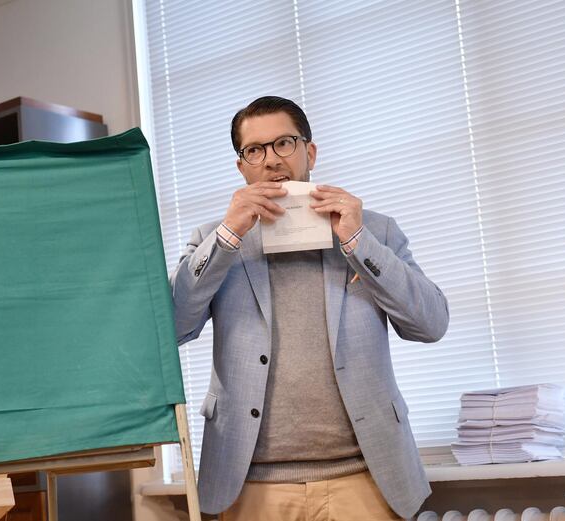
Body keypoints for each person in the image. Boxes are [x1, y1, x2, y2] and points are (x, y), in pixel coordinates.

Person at [170, 96, 450, 520]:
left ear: (310, 151)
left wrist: (359, 243)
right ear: (242, 166)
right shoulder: (214, 238)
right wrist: (228, 234)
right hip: (251, 484)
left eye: (284, 143)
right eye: (254, 150)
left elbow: (430, 324)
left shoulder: (374, 229)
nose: (270, 160)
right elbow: (171, 326)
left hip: (366, 479)